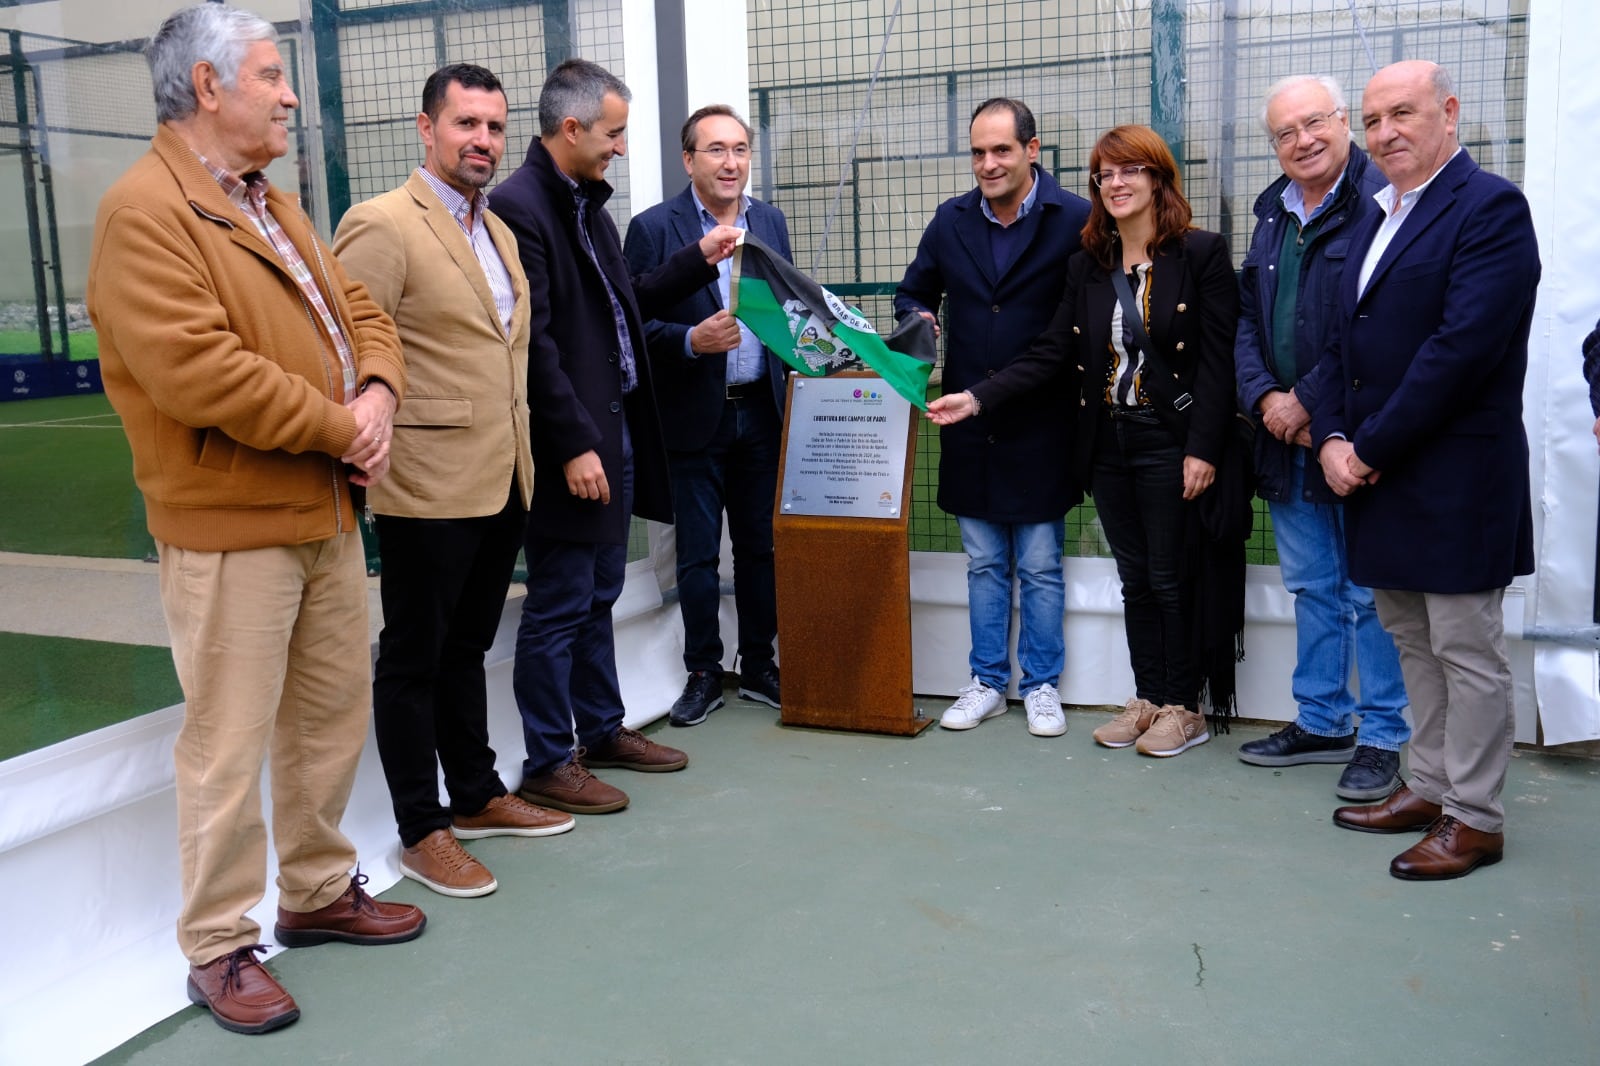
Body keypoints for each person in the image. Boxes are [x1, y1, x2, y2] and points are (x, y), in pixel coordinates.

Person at [85, 3, 423, 1035]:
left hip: (320, 509)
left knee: (327, 713)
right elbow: (201, 374)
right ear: (208, 87)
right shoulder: (144, 212)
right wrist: (341, 427)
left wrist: (375, 393)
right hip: (231, 526)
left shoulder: (270, 202)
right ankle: (219, 945)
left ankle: (317, 892)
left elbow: (359, 310)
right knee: (228, 744)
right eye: (273, 76)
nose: (289, 96)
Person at [333, 63, 574, 900]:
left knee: (467, 647)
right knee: (413, 658)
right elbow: (352, 344)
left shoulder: (497, 230)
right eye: (467, 124)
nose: (483, 141)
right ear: (425, 128)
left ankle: (474, 795)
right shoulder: (381, 223)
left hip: (503, 476)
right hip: (423, 484)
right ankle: (420, 828)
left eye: (495, 127)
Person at [930, 125, 1240, 757]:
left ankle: (1185, 707)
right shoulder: (1089, 265)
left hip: (1171, 443)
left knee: (1170, 576)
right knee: (1135, 579)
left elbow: (1219, 364)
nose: (1117, 183)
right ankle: (1148, 698)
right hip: (1108, 444)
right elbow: (1050, 353)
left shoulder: (1201, 254)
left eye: (1131, 171)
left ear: (1158, 178)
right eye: (1106, 174)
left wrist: (1203, 449)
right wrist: (977, 396)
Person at [488, 59, 739, 814]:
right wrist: (571, 444)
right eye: (614, 132)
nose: (621, 148)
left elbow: (623, 304)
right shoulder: (521, 207)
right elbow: (536, 345)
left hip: (615, 431)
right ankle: (546, 758)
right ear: (571, 129)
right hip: (578, 443)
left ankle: (600, 729)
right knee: (561, 600)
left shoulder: (584, 206)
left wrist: (697, 257)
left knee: (597, 592)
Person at [1315, 61, 1540, 880]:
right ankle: (1433, 785)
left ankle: (1475, 818)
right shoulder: (1378, 216)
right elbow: (1343, 345)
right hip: (1383, 475)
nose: (1385, 134)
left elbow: (1460, 351)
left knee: (1466, 650)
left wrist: (1364, 450)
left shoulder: (1490, 209)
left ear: (1449, 111)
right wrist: (1332, 436)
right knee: (1412, 640)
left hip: (1454, 479)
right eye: (1372, 120)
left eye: (1402, 114)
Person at [1232, 75, 1410, 801]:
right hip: (1284, 440)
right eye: (1285, 133)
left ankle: (1383, 735)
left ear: (1344, 123)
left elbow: (1370, 325)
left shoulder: (1383, 203)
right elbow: (1247, 316)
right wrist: (1265, 398)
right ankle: (1323, 720)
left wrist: (1305, 402)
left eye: (1315, 123)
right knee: (1313, 587)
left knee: (1372, 594)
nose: (1302, 141)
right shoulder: (1270, 213)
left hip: (1353, 438)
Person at [895, 98, 1091, 737]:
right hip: (967, 422)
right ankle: (986, 681)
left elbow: (1074, 328)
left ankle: (1040, 686)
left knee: (1038, 563)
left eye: (1002, 149)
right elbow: (914, 290)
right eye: (978, 152)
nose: (988, 163)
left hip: (1042, 422)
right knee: (982, 563)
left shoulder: (1078, 221)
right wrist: (920, 320)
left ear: (1033, 150)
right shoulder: (949, 221)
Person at [621, 104, 792, 727]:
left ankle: (760, 665)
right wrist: (692, 340)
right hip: (694, 417)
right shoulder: (652, 228)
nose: (731, 161)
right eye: (716, 149)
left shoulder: (768, 220)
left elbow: (788, 310)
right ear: (688, 159)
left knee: (759, 550)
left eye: (741, 149)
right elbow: (633, 323)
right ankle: (702, 670)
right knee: (696, 555)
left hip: (762, 416)